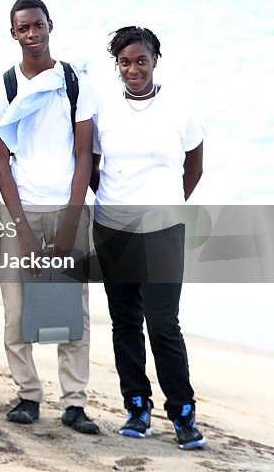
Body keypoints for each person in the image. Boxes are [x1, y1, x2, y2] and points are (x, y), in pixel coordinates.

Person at [0, 0, 100, 435]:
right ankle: (28, 394)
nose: (32, 34)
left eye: (38, 25)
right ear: (13, 33)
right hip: (20, 211)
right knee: (17, 309)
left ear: (51, 25)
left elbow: (84, 153)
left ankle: (74, 402)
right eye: (23, 28)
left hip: (69, 207)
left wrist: (73, 218)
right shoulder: (4, 88)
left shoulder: (74, 82)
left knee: (74, 310)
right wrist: (23, 231)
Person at [91, 26, 206, 450]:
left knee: (162, 322)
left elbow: (193, 164)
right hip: (113, 228)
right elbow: (90, 163)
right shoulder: (104, 108)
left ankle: (182, 412)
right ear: (117, 65)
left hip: (163, 230)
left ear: (156, 59)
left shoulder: (179, 107)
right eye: (125, 62)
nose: (133, 69)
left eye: (141, 60)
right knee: (125, 321)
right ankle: (137, 406)